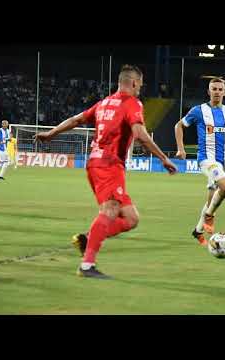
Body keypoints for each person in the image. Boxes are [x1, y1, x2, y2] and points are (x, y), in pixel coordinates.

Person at [34, 65, 177, 279]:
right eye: (141, 84)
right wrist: (163, 158)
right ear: (135, 83)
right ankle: (87, 266)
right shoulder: (132, 104)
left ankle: (87, 239)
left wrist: (51, 134)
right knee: (110, 210)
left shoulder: (104, 103)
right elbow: (139, 133)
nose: (141, 88)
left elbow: (76, 120)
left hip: (95, 163)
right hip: (109, 165)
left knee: (131, 218)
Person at [174, 77, 225, 246]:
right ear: (208, 91)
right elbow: (178, 126)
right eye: (214, 89)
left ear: (224, 92)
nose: (217, 92)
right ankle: (210, 216)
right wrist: (181, 149)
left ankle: (197, 231)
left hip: (222, 161)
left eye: (220, 89)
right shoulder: (198, 111)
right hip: (206, 159)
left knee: (211, 199)